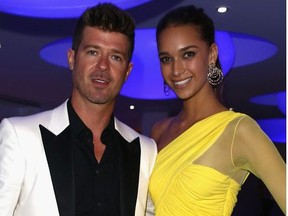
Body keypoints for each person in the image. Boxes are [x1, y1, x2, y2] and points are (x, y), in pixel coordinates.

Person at [0, 3, 157, 216]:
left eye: (115, 57)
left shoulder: (145, 150)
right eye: (93, 52)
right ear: (72, 58)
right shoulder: (20, 137)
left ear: (127, 71)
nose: (103, 66)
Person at [147, 5, 286, 216]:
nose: (176, 70)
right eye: (166, 58)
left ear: (211, 55)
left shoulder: (239, 130)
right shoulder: (159, 131)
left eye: (188, 54)